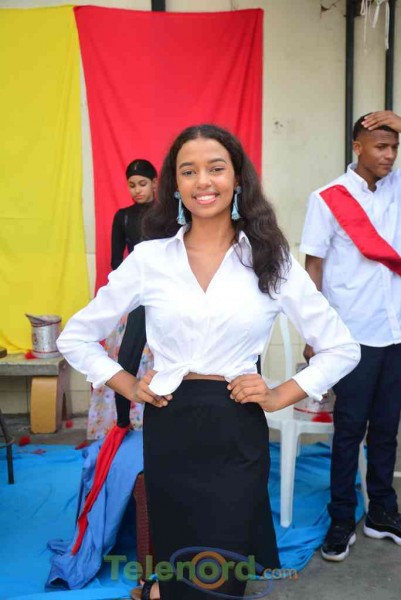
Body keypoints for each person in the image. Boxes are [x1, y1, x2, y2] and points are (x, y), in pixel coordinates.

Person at [57, 124, 359, 599]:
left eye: (216, 168)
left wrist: (280, 394)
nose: (203, 181)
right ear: (175, 186)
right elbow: (75, 337)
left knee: (221, 576)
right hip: (170, 425)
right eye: (188, 171)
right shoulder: (150, 259)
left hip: (237, 428)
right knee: (180, 563)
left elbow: (342, 347)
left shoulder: (270, 259)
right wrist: (128, 384)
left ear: (237, 178)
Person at [300, 110, 401, 562]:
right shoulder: (328, 198)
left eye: (395, 146)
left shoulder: (398, 189)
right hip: (352, 335)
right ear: (357, 147)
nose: (389, 155)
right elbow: (314, 266)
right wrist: (313, 332)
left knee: (387, 430)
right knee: (348, 431)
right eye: (380, 146)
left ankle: (381, 511)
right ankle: (341, 516)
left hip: (396, 332)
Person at [87, 159, 156, 440]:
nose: (137, 190)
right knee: (126, 357)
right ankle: (123, 424)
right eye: (132, 185)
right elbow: (117, 261)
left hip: (166, 295)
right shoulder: (124, 217)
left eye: (142, 184)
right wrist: (126, 297)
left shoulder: (166, 214)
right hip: (136, 295)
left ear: (155, 183)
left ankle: (161, 419)